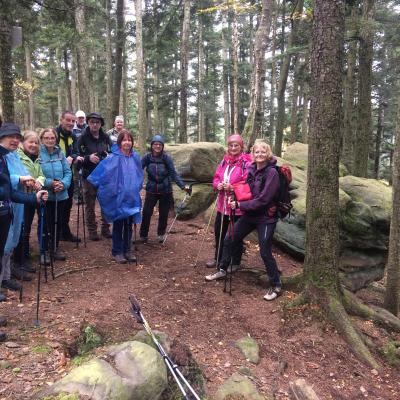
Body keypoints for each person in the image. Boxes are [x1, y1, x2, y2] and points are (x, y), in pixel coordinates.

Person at [205, 140, 283, 301]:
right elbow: (245, 190)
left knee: (265, 250)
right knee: (229, 238)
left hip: (266, 218)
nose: (259, 154)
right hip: (250, 214)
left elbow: (263, 200)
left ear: (267, 154)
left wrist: (240, 204)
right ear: (252, 154)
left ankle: (276, 285)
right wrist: (234, 196)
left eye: (263, 152)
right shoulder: (252, 169)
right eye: (257, 152)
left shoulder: (272, 173)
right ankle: (222, 269)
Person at [0, 122, 48, 342]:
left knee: (5, 249)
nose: (14, 140)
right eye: (10, 137)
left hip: (6, 212)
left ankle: (6, 278)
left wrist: (34, 198)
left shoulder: (8, 157)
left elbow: (8, 193)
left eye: (16, 137)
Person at [88, 130, 143, 263]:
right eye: (124, 140)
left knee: (129, 224)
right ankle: (117, 251)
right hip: (118, 197)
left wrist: (137, 188)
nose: (127, 143)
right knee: (118, 224)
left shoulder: (135, 157)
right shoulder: (113, 157)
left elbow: (139, 174)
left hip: (131, 197)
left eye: (129, 140)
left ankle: (127, 249)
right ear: (119, 142)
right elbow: (103, 173)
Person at [206, 134, 252, 270]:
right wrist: (218, 185)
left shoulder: (246, 163)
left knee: (234, 234)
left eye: (236, 145)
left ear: (241, 146)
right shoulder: (224, 161)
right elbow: (216, 178)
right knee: (219, 232)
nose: (233, 148)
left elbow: (248, 182)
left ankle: (235, 261)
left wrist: (232, 187)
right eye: (231, 145)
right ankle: (218, 259)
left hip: (237, 206)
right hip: (222, 205)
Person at [140, 134, 190, 243]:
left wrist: (183, 186)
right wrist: (136, 183)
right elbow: (138, 169)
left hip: (165, 190)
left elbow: (173, 174)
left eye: (159, 144)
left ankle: (161, 234)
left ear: (162, 146)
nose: (157, 146)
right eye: (155, 144)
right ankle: (143, 235)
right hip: (151, 189)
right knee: (147, 212)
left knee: (163, 213)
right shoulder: (147, 157)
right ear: (152, 145)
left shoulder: (167, 158)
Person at [13, 131, 46, 275]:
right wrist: (31, 181)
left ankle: (24, 257)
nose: (33, 145)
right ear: (23, 143)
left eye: (36, 143)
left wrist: (39, 181)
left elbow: (41, 174)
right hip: (20, 198)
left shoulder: (36, 158)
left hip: (32, 197)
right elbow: (18, 175)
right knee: (21, 229)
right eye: (30, 142)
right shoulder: (17, 157)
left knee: (26, 229)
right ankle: (18, 260)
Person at [77, 112, 112, 241]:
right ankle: (92, 230)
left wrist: (108, 156)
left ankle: (105, 228)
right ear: (88, 123)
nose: (95, 124)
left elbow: (112, 151)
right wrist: (88, 158)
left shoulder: (105, 137)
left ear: (101, 124)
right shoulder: (82, 137)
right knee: (90, 203)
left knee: (105, 202)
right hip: (88, 175)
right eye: (92, 122)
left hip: (104, 175)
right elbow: (76, 156)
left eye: (97, 122)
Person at [39, 128, 72, 262]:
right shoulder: (38, 154)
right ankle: (44, 250)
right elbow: (37, 174)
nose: (50, 140)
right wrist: (50, 183)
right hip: (46, 195)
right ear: (42, 139)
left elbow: (68, 172)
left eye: (52, 138)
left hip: (61, 195)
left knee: (58, 222)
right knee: (45, 223)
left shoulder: (60, 153)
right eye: (46, 138)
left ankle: (55, 248)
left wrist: (63, 184)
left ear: (55, 139)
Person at [55, 110, 80, 242]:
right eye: (68, 120)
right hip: (53, 175)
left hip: (68, 175)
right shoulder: (53, 134)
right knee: (56, 205)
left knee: (68, 203)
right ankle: (55, 233)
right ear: (61, 120)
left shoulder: (73, 136)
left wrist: (72, 157)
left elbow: (76, 151)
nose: (71, 123)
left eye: (73, 121)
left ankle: (65, 232)